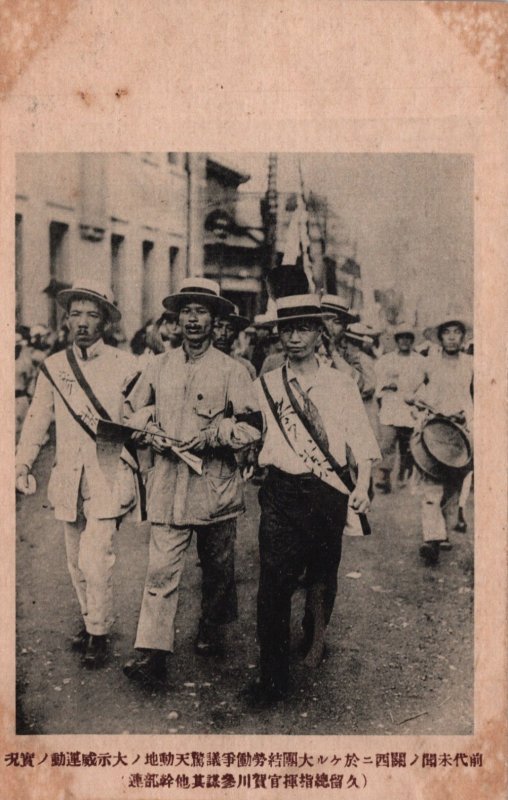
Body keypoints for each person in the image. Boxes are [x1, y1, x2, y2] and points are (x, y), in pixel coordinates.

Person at [122, 278, 262, 686]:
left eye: (202, 311)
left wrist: (217, 434)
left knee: (217, 567)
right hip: (168, 484)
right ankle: (153, 653)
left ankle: (212, 624)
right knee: (160, 571)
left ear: (215, 320)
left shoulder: (232, 370)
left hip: (214, 486)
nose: (193, 319)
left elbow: (253, 426)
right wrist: (146, 429)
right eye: (186, 311)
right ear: (176, 318)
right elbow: (131, 410)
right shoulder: (158, 365)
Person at [246, 294, 380, 707]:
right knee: (273, 583)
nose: (294, 337)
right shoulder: (266, 385)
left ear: (320, 333)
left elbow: (360, 440)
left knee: (322, 572)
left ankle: (315, 633)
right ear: (278, 334)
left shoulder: (340, 384)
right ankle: (272, 677)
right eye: (287, 329)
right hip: (281, 492)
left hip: (327, 492)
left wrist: (362, 486)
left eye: (303, 328)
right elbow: (251, 432)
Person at [15, 280, 140, 668]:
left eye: (91, 315)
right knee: (74, 561)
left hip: (108, 474)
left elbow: (141, 418)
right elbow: (38, 418)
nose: (82, 322)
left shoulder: (127, 365)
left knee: (95, 558)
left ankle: (98, 633)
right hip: (68, 476)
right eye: (75, 314)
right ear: (66, 320)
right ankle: (90, 621)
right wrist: (22, 463)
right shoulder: (54, 367)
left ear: (105, 321)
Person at [410, 312, 473, 565]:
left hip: (462, 430)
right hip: (435, 428)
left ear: (463, 337)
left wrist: (467, 414)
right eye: (447, 332)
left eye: (456, 332)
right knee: (432, 482)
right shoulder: (430, 364)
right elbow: (411, 392)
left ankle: (443, 530)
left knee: (453, 484)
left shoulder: (472, 363)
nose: (452, 337)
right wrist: (421, 404)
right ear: (440, 337)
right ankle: (432, 539)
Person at [374, 324, 426, 492]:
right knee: (387, 443)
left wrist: (417, 397)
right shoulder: (386, 360)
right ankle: (384, 476)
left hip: (410, 410)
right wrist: (386, 385)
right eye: (401, 337)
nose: (405, 341)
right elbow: (378, 381)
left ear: (412, 340)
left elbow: (425, 384)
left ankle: (404, 474)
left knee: (408, 447)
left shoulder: (420, 361)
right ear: (396, 340)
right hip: (391, 407)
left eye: (408, 338)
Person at [212, 304, 256, 379]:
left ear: (236, 334)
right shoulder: (198, 362)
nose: (223, 333)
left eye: (229, 328)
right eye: (218, 327)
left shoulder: (245, 367)